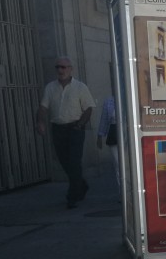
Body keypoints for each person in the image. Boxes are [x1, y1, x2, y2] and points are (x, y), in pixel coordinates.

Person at [36, 57, 95, 208]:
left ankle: (72, 196)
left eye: (63, 67)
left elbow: (88, 108)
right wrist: (40, 122)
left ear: (70, 69)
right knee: (64, 162)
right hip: (58, 128)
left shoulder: (80, 87)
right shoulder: (50, 87)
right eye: (57, 67)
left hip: (75, 128)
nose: (60, 70)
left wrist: (80, 125)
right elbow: (43, 107)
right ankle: (81, 184)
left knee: (74, 162)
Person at [96, 95, 120, 191]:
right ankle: (122, 191)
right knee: (118, 164)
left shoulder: (133, 97)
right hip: (114, 133)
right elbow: (104, 119)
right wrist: (100, 136)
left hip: (129, 132)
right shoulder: (109, 101)